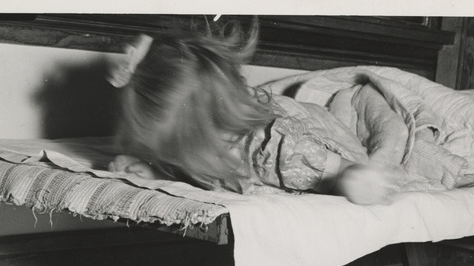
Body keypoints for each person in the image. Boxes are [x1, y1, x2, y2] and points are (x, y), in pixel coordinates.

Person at [106, 25, 401, 205]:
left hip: (313, 127)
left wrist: (357, 181)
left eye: (170, 147)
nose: (168, 154)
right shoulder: (188, 146)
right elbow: (189, 170)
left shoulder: (277, 154)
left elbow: (343, 169)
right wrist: (155, 171)